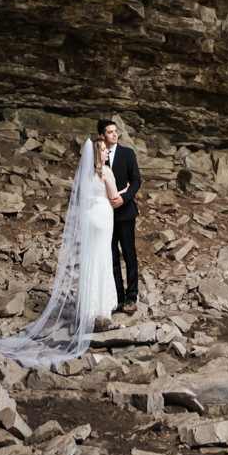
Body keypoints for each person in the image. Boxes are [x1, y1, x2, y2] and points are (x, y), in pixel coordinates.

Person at [0, 136, 121, 368]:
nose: (107, 153)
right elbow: (114, 197)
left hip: (90, 218)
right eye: (104, 150)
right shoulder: (106, 172)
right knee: (103, 258)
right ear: (98, 154)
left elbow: (83, 199)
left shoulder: (84, 173)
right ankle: (101, 310)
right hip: (104, 218)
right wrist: (123, 193)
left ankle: (89, 307)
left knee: (91, 260)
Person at [99, 117, 141, 314]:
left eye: (116, 131)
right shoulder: (98, 156)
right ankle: (118, 297)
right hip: (105, 216)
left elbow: (136, 181)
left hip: (125, 213)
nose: (114, 134)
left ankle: (132, 297)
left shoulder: (127, 153)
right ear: (102, 136)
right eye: (109, 131)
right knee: (112, 257)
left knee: (129, 254)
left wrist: (124, 199)